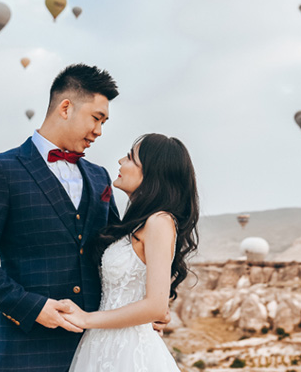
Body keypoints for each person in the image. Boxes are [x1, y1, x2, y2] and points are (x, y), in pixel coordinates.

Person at [0, 64, 125, 372]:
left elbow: (115, 251)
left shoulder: (99, 177)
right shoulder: (2, 170)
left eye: (104, 122)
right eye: (96, 118)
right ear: (65, 107)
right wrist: (31, 308)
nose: (99, 131)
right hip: (24, 349)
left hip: (95, 348)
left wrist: (140, 310)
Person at [62, 132, 200, 372]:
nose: (120, 162)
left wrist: (86, 319)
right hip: (99, 346)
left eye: (130, 158)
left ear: (152, 171)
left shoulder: (160, 221)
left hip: (130, 352)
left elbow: (156, 306)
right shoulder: (135, 224)